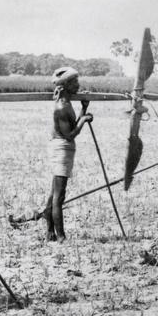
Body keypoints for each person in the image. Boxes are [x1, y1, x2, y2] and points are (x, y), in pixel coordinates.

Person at [32, 67, 93, 241]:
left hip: (64, 149)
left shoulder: (67, 104)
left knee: (54, 193)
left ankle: (50, 232)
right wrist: (84, 120)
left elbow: (72, 126)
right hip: (62, 150)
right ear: (65, 85)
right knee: (59, 195)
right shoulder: (61, 107)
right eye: (74, 82)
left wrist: (83, 109)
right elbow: (70, 135)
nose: (78, 85)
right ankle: (61, 236)